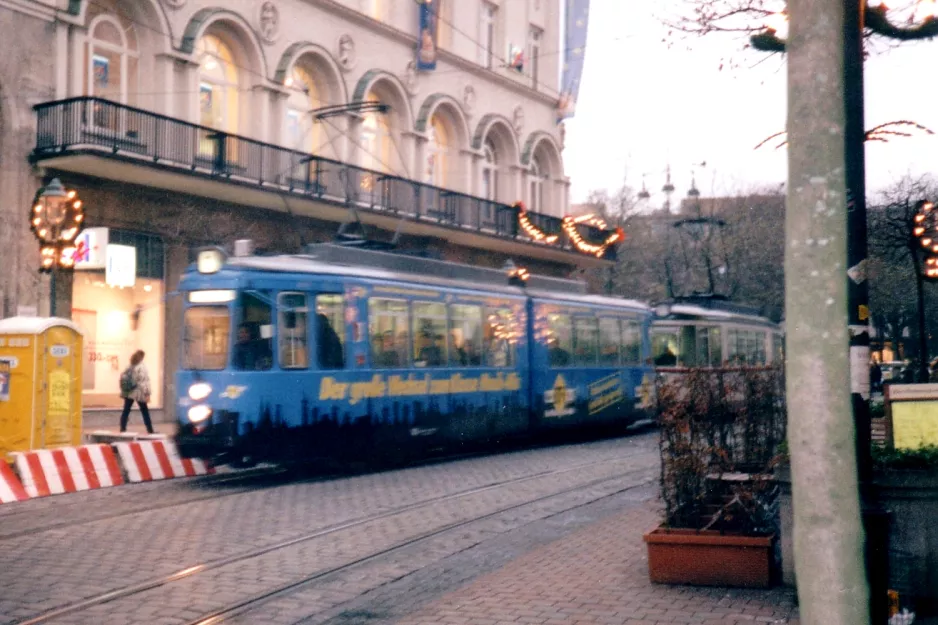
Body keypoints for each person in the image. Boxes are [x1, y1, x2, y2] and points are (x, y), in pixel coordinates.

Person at [119, 350, 153, 434]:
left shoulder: (129, 366)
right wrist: (147, 393)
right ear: (142, 357)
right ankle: (150, 429)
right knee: (144, 410)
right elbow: (144, 381)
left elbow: (123, 377)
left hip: (129, 391)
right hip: (139, 392)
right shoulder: (142, 367)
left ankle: (122, 428)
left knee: (126, 410)